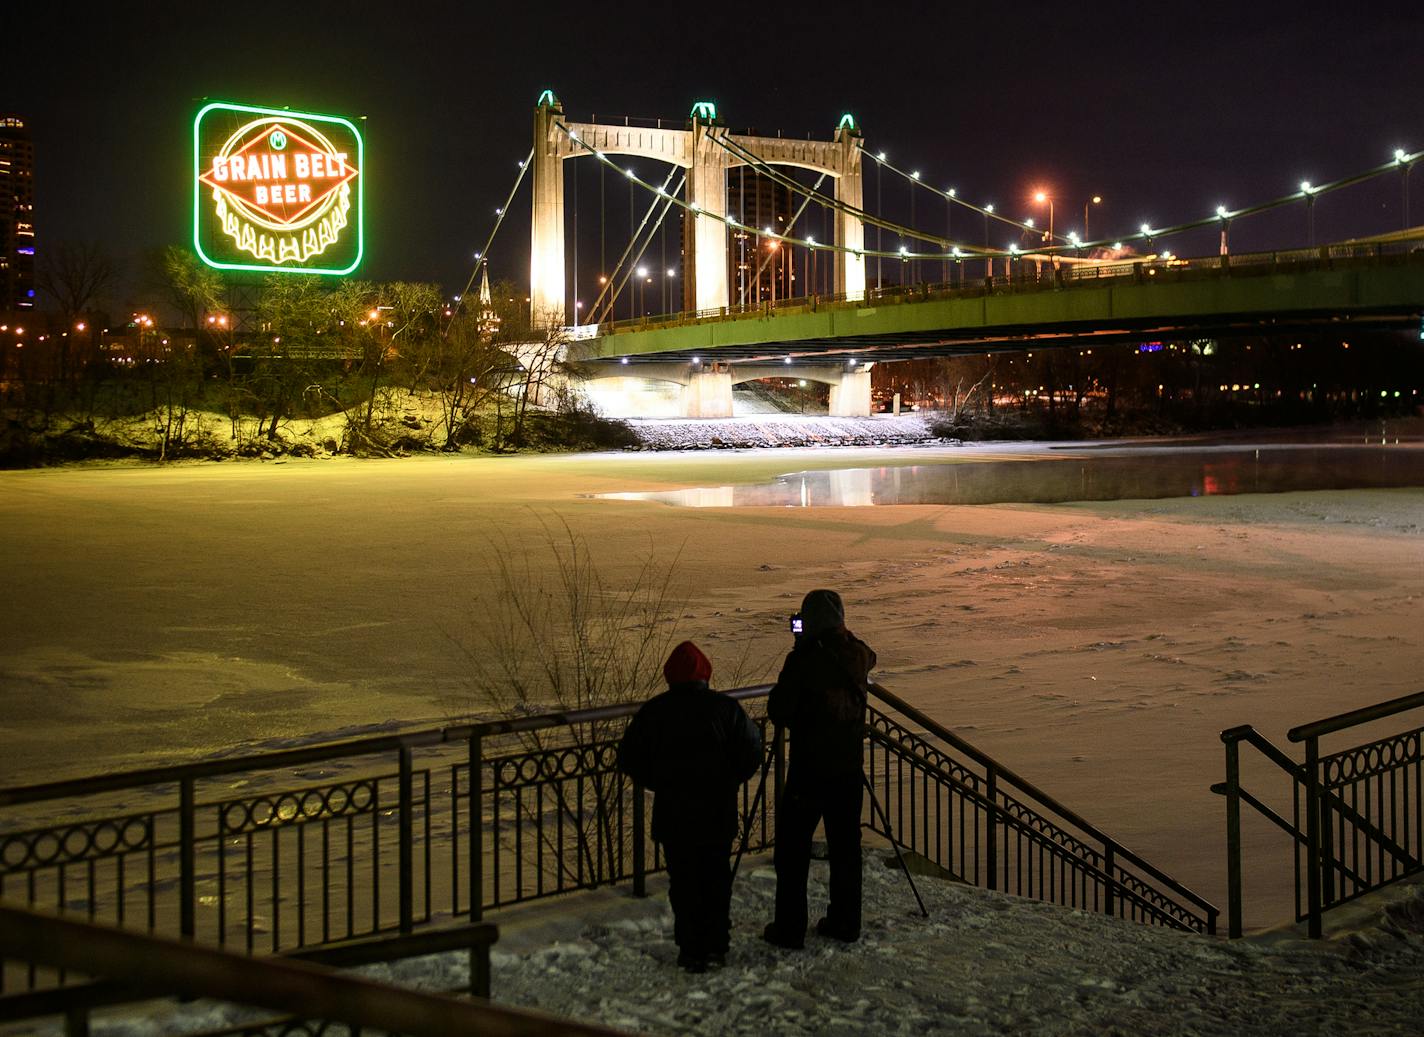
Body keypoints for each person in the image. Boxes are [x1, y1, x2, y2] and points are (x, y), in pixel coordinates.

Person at [617, 640, 763, 973]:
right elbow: (753, 750)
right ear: (705, 673)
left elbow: (629, 757)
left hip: (674, 812)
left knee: (683, 882)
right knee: (715, 879)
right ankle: (715, 947)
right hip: (716, 811)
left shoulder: (655, 711)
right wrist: (730, 779)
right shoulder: (725, 709)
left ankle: (690, 948)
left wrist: (659, 781)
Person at [763, 589, 876, 949]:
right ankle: (846, 922)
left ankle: (790, 928)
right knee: (846, 848)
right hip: (848, 769)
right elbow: (870, 655)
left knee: (792, 850)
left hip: (809, 770)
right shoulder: (856, 654)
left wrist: (800, 647)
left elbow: (779, 709)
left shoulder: (805, 660)